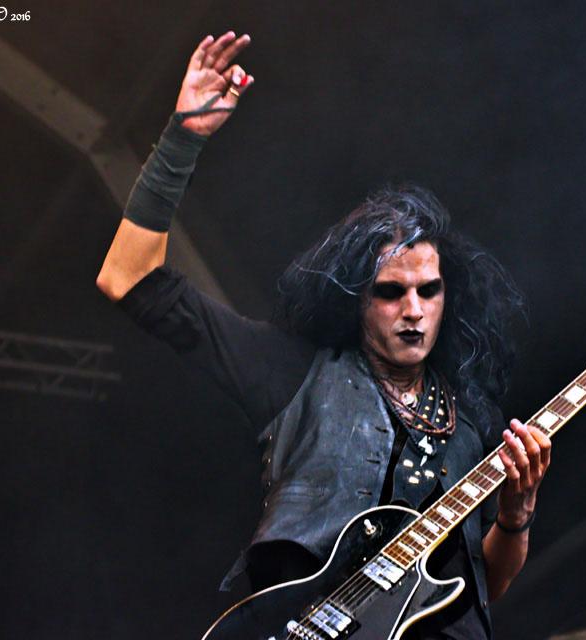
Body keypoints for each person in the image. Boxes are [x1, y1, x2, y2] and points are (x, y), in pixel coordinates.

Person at [96, 31, 551, 640]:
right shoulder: (293, 372)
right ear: (356, 299)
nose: (414, 311)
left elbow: (481, 587)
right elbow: (128, 278)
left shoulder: (469, 420)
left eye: (429, 291)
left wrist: (516, 517)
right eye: (390, 293)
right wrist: (182, 141)